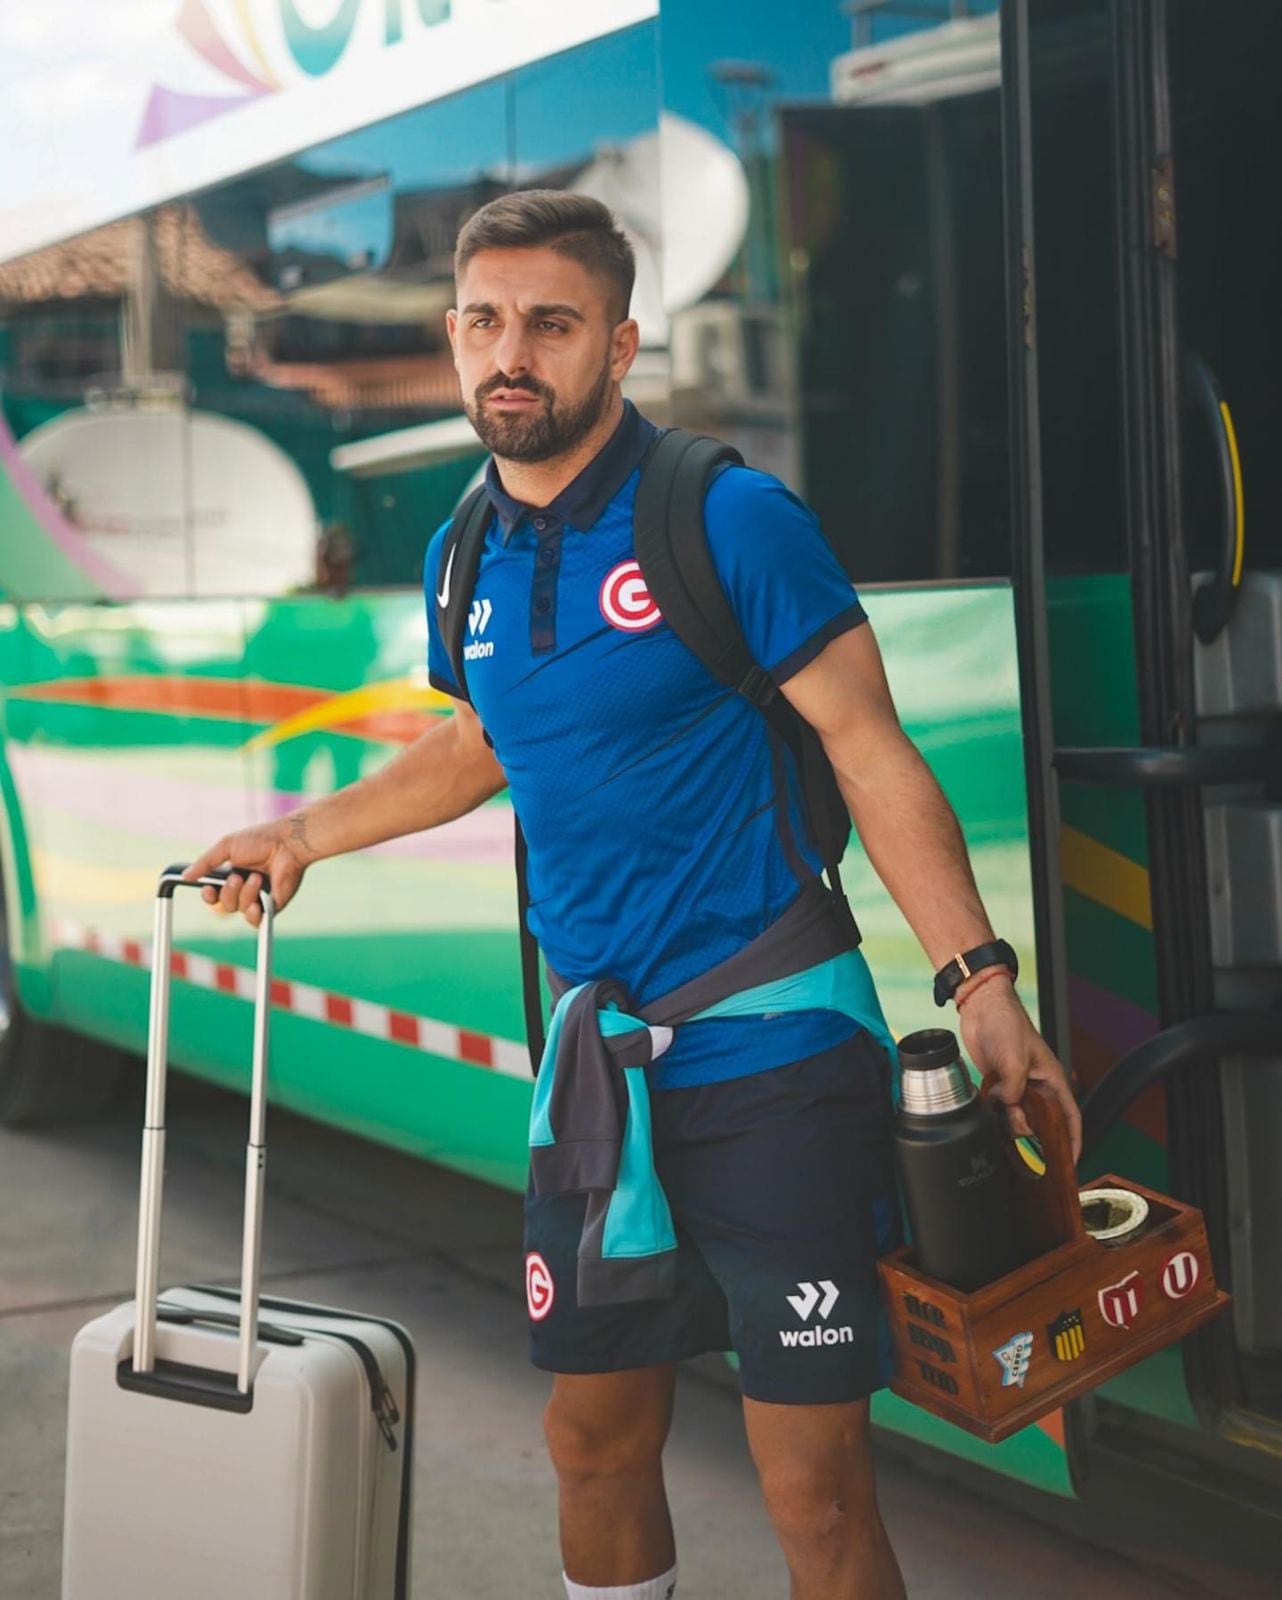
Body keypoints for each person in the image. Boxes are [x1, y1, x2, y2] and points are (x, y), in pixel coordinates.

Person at [185, 190, 1081, 1600]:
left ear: (618, 341)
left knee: (813, 1490)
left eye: (551, 322)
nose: (511, 353)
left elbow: (867, 747)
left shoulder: (724, 515)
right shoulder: (464, 547)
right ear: (452, 333)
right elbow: (485, 737)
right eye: (484, 321)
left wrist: (980, 982)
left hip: (771, 1043)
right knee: (592, 1439)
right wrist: (306, 834)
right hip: (596, 1071)